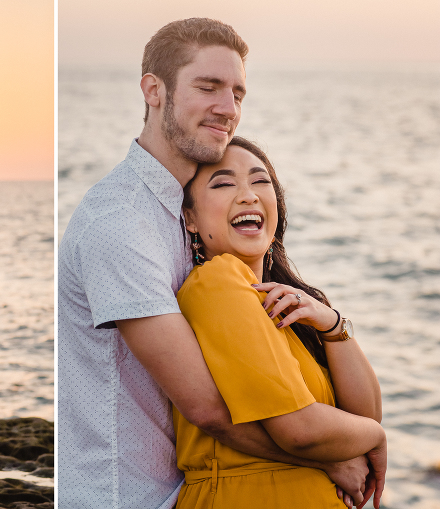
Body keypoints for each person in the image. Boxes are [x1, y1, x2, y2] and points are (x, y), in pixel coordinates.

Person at [58, 18, 374, 509]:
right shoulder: (119, 221)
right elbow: (210, 410)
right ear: (153, 90)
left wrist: (333, 326)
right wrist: (331, 455)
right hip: (123, 495)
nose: (228, 109)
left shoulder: (190, 226)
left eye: (238, 93)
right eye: (208, 87)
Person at [174, 136, 385, 508]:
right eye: (224, 184)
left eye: (261, 181)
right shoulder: (218, 280)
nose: (248, 196)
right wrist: (377, 437)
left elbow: (363, 415)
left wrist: (333, 325)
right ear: (190, 218)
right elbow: (301, 431)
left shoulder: (281, 304)